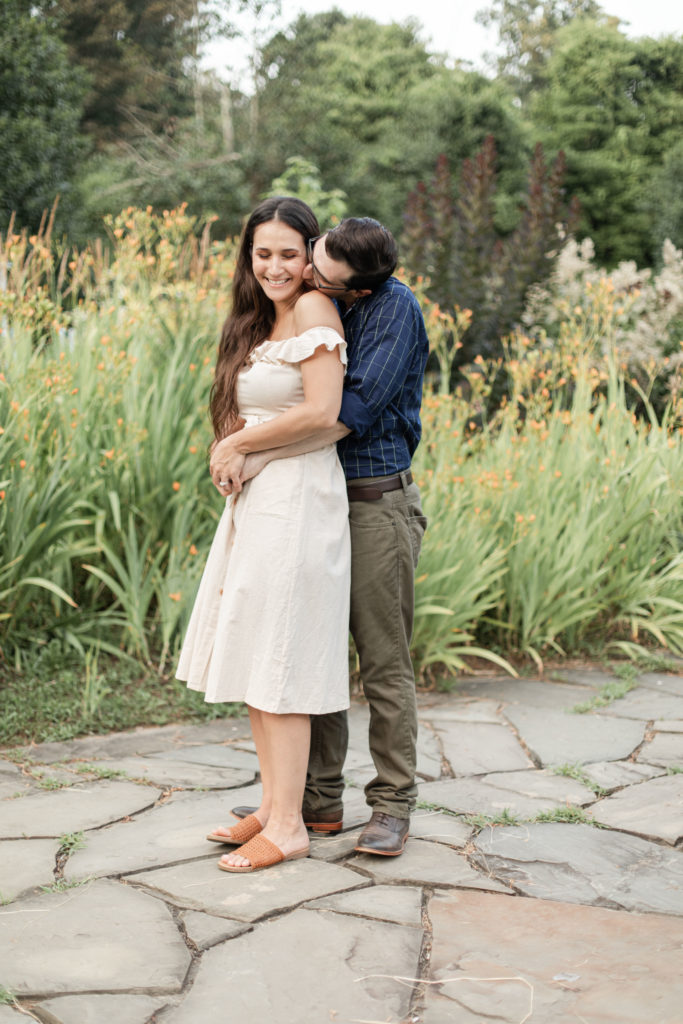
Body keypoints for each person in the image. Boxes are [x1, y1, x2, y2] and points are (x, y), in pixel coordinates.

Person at [217, 218, 429, 857]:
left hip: (373, 502)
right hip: (316, 500)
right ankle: (316, 801)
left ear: (357, 291)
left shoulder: (393, 313)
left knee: (382, 660)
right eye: (313, 257)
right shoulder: (318, 288)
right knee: (312, 649)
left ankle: (392, 804)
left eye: (320, 274)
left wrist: (250, 451)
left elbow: (344, 417)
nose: (304, 273)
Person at [176, 197, 351, 873]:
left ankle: (289, 824)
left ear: (310, 255)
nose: (275, 266)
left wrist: (241, 443)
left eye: (288, 253)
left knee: (280, 660)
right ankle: (272, 804)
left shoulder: (313, 311)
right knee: (257, 656)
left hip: (300, 506)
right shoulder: (262, 319)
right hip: (260, 505)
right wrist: (240, 455)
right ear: (248, 257)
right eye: (262, 253)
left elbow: (325, 411)